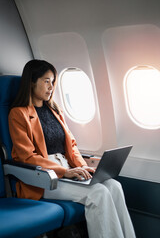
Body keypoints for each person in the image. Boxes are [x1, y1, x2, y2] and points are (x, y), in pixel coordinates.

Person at [8, 59, 136, 238]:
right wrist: (63, 172)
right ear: (31, 82)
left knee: (114, 186)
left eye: (53, 82)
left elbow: (72, 146)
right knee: (98, 193)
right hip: (44, 177)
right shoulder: (18, 114)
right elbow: (26, 157)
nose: (51, 87)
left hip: (68, 167)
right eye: (46, 81)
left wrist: (82, 167)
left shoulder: (54, 110)